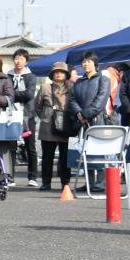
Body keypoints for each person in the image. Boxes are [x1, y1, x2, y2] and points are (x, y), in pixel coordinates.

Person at [67, 50, 110, 192]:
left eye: (88, 61)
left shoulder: (103, 79)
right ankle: (89, 182)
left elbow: (100, 101)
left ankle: (101, 183)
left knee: (100, 151)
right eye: (83, 62)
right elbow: (72, 99)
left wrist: (85, 114)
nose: (85, 64)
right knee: (85, 151)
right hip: (82, 122)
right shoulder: (79, 81)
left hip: (98, 120)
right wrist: (79, 113)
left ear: (95, 64)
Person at [35, 61, 73, 191]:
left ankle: (65, 183)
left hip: (66, 126)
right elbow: (37, 106)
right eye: (56, 72)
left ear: (66, 74)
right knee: (47, 157)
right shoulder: (45, 87)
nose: (58, 74)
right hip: (48, 127)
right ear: (52, 74)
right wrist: (46, 116)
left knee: (65, 157)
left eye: (62, 72)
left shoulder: (72, 88)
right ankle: (46, 182)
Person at [9, 48, 38, 187]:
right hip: (11, 115)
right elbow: (6, 92)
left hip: (28, 115)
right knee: (11, 147)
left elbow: (29, 95)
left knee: (30, 147)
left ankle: (32, 177)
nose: (18, 61)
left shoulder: (31, 76)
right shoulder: (8, 75)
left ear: (26, 61)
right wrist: (16, 94)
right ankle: (10, 177)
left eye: (21, 58)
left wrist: (12, 94)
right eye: (16, 58)